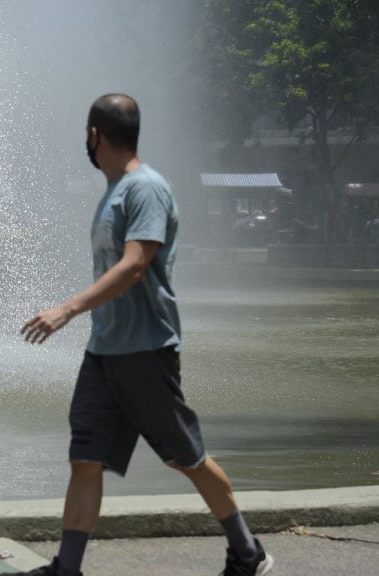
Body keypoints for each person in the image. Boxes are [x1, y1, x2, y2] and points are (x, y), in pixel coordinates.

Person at [15, 95, 273, 576]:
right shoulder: (114, 189)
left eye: (86, 135)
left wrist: (66, 309)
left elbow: (136, 265)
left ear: (96, 134)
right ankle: (66, 568)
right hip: (105, 351)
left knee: (186, 457)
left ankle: (247, 552)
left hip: (145, 350)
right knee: (85, 458)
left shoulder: (145, 189)